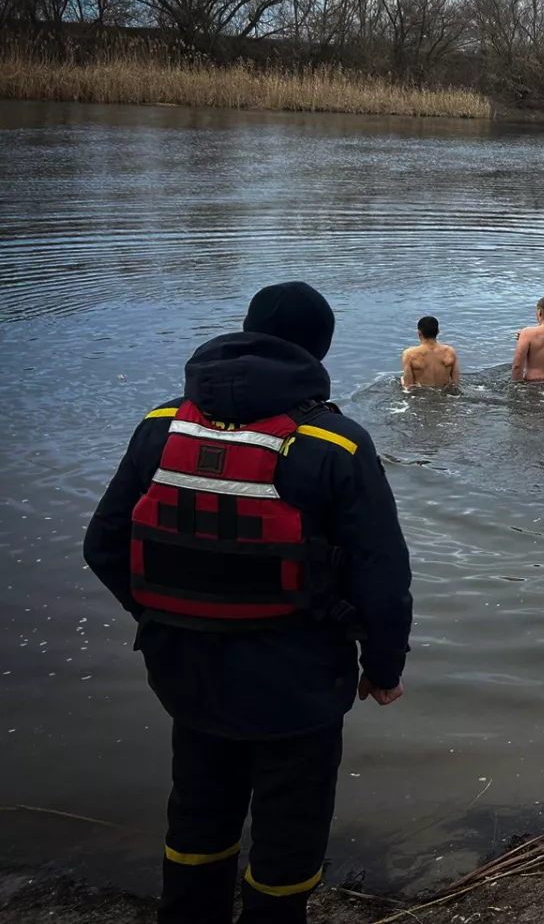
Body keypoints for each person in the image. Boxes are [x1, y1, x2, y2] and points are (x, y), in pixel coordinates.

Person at [83, 281, 413, 924]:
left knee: (198, 812)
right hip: (299, 679)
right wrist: (384, 667)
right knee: (289, 831)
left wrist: (161, 615)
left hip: (185, 671)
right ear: (319, 350)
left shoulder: (158, 426)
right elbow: (381, 576)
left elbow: (104, 545)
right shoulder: (337, 443)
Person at [401, 315, 460, 390]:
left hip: (421, 397)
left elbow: (408, 387)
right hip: (445, 396)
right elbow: (456, 383)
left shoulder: (409, 354)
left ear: (419, 333)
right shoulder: (450, 351)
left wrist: (402, 380)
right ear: (438, 331)